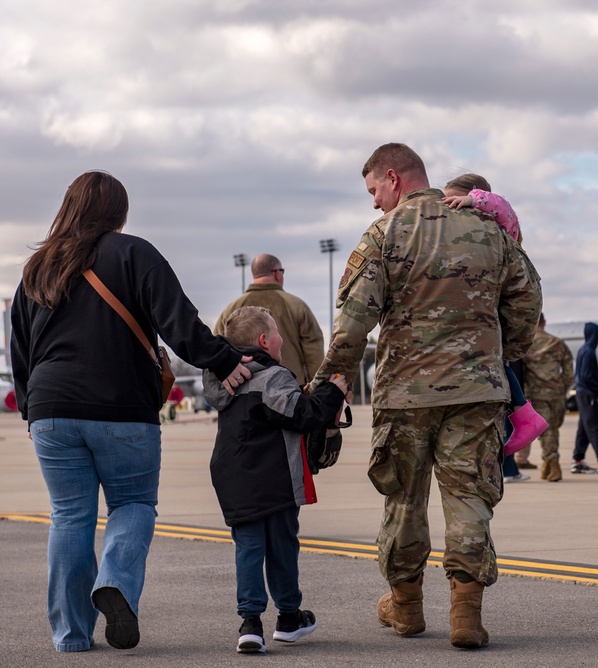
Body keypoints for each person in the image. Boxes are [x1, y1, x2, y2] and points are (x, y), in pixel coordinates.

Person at [308, 143, 542, 649]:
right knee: (469, 498)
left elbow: (352, 324)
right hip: (479, 391)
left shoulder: (386, 232)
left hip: (405, 395)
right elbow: (528, 297)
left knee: (403, 500)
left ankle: (408, 608)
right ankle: (466, 615)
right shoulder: (488, 230)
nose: (374, 202)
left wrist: (331, 382)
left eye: (374, 190)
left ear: (393, 178)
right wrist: (500, 351)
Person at [10, 171, 251, 653]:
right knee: (133, 505)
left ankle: (72, 636)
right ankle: (116, 583)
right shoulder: (135, 252)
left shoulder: (37, 267)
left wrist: (32, 412)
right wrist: (226, 361)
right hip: (123, 407)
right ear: (119, 214)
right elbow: (180, 324)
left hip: (52, 408)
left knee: (69, 517)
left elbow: (20, 347)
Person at [205, 306, 348, 654]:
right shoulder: (272, 376)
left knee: (249, 549)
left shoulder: (227, 380)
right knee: (282, 547)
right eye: (277, 332)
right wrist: (334, 392)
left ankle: (250, 623)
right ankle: (288, 617)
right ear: (264, 341)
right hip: (274, 480)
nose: (281, 338)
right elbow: (302, 414)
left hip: (234, 479)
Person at [442, 173, 547, 457]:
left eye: (455, 201)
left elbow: (502, 206)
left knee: (499, 364)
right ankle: (522, 414)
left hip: (494, 307)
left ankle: (524, 413)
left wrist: (472, 200)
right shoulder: (482, 233)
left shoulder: (497, 222)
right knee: (499, 365)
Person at [215, 254, 326, 385]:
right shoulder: (297, 306)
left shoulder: (231, 309)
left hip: (242, 391)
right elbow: (314, 350)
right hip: (290, 390)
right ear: (277, 273)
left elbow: (216, 348)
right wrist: (317, 388)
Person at [520, 313, 575, 482]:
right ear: (544, 322)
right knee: (553, 428)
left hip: (536, 394)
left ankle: (551, 462)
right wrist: (563, 389)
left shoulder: (524, 345)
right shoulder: (558, 343)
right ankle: (549, 463)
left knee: (546, 430)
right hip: (556, 393)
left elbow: (520, 373)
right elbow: (568, 372)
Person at [570, 322, 598, 473]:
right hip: (588, 393)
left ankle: (578, 459)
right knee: (594, 426)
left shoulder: (583, 349)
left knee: (584, 428)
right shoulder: (589, 351)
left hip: (582, 392)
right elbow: (586, 376)